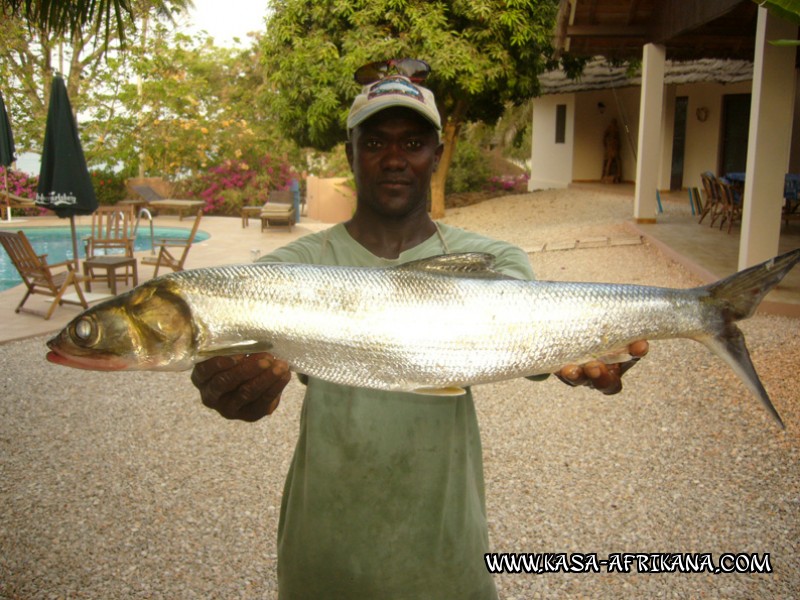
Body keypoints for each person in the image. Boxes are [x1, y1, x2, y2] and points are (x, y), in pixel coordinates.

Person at [191, 61, 648, 599]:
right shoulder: (292, 270)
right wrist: (228, 384)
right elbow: (230, 352)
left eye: (412, 143)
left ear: (435, 154)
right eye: (375, 142)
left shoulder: (493, 261)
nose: (393, 159)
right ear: (351, 152)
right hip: (324, 553)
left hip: (446, 553)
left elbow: (534, 342)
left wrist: (583, 353)